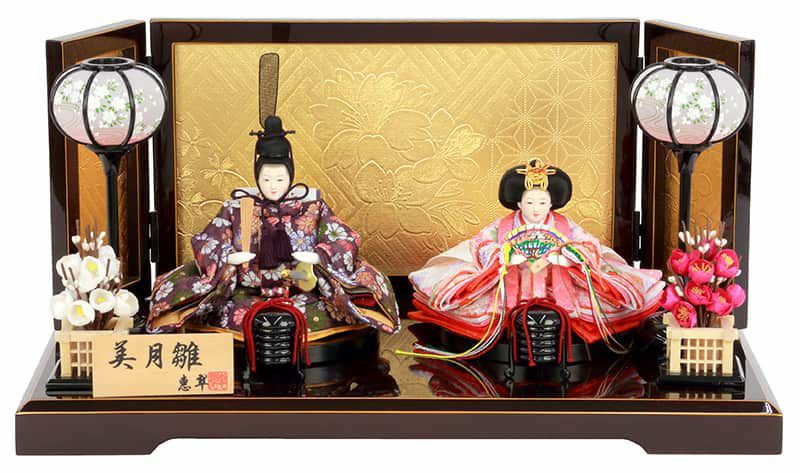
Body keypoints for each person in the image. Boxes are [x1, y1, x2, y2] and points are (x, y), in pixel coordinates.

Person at [146, 116, 400, 342]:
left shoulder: (311, 206)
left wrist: (319, 255)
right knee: (227, 310)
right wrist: (228, 257)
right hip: (247, 290)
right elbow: (207, 239)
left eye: (280, 179)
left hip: (303, 288)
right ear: (257, 177)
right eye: (266, 179)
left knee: (329, 307)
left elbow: (345, 238)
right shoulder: (239, 207)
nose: (273, 186)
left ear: (291, 176)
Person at [407, 158, 663, 354]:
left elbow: (588, 243)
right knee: (470, 301)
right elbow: (481, 243)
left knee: (608, 300)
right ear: (519, 204)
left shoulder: (564, 225)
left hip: (559, 281)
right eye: (530, 202)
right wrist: (504, 257)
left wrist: (567, 257)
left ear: (551, 203)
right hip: (510, 280)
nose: (536, 209)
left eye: (542, 203)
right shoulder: (503, 225)